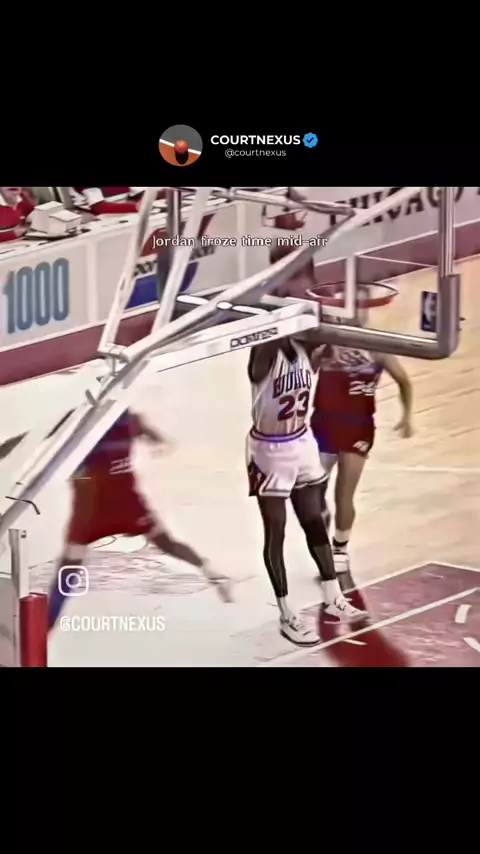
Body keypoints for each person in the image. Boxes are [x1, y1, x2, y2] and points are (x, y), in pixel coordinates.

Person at [247, 259, 367, 647]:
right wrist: (276, 297)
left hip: (302, 441)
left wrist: (317, 298)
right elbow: (272, 325)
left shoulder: (304, 347)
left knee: (314, 521)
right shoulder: (263, 352)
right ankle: (286, 613)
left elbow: (323, 321)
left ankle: (333, 598)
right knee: (276, 531)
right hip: (269, 450)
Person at [47, 409, 231, 630]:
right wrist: (158, 441)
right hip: (124, 504)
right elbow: (149, 432)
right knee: (166, 543)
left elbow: (45, 434)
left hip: (94, 507)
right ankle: (209, 570)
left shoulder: (84, 419)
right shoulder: (127, 420)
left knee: (69, 568)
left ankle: (45, 627)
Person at [311, 343, 413, 588]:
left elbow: (404, 381)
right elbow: (305, 374)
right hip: (324, 422)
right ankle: (322, 530)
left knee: (344, 493)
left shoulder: (376, 346)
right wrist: (317, 354)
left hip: (357, 425)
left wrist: (407, 417)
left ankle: (340, 549)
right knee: (312, 494)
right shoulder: (326, 345)